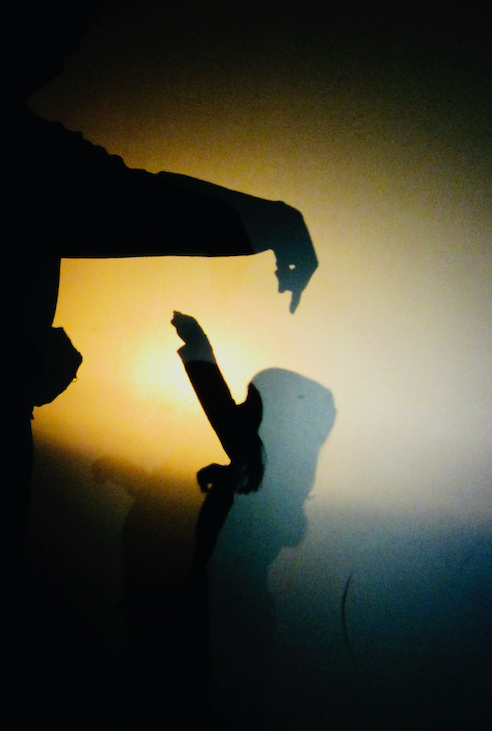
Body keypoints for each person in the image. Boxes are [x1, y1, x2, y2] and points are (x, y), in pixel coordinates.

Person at [172, 311, 336, 728]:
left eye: (254, 403)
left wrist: (197, 344)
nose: (245, 410)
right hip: (239, 606)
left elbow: (220, 409)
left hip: (229, 606)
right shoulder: (269, 468)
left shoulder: (255, 463)